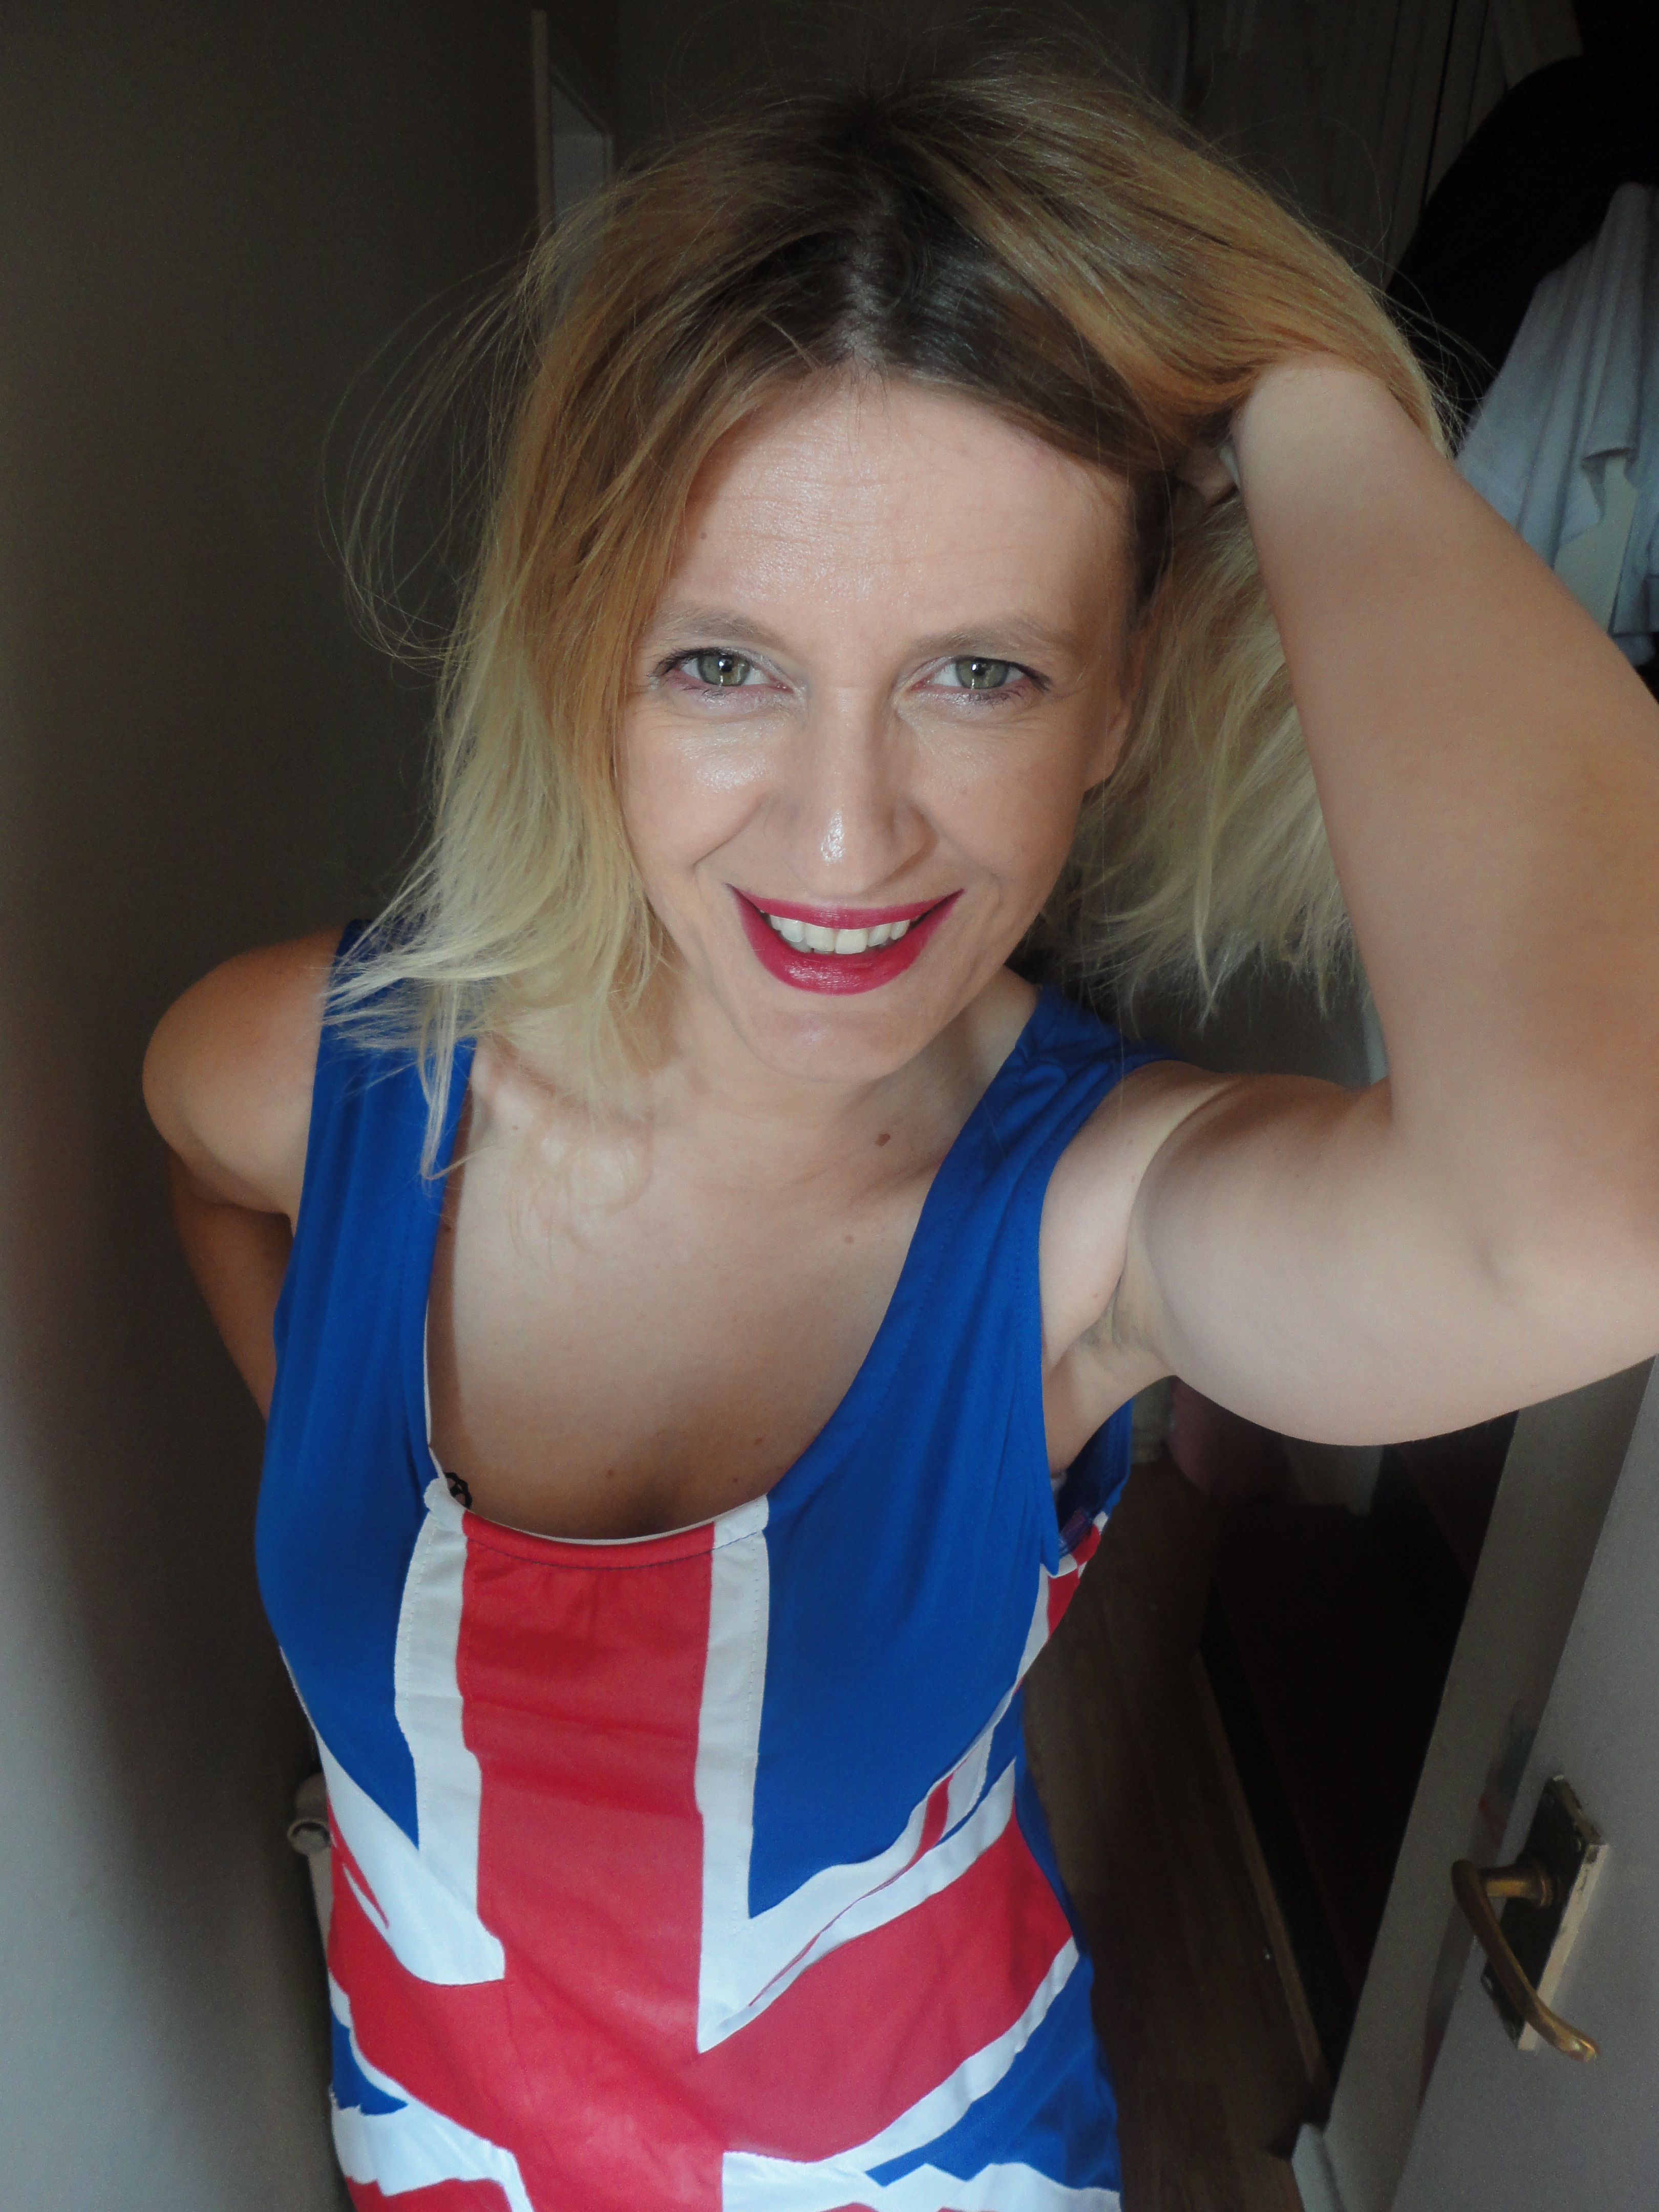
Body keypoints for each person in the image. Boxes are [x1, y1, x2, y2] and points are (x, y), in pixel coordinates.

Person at [142, 60, 1659, 2212]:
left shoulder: (1086, 1222)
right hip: (440, 2154)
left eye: (983, 675)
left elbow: (1585, 1223)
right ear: (582, 655)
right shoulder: (324, 1072)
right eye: (722, 665)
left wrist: (1297, 387)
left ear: (1123, 687)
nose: (847, 843)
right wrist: (352, 1468)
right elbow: (208, 1173)